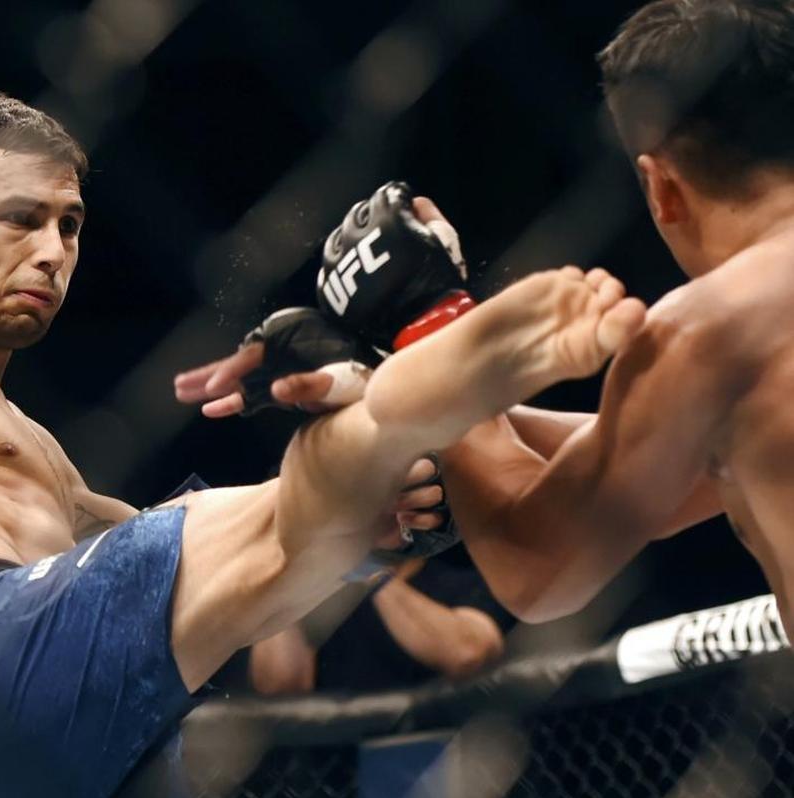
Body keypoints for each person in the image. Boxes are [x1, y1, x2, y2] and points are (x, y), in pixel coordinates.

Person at [0, 93, 644, 798]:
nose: (53, 252)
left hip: (23, 759)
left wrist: (367, 538)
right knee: (280, 510)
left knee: (267, 528)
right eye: (20, 219)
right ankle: (419, 352)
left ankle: (372, 418)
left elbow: (173, 557)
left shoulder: (35, 454)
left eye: (70, 225)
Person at [184, 0, 794, 637]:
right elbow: (641, 450)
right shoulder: (738, 364)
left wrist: (432, 327)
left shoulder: (710, 332)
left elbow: (540, 565)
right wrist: (400, 386)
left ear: (660, 185)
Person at [247, 556, 507, 694]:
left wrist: (373, 571)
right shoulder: (320, 599)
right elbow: (277, 685)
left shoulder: (460, 581)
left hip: (445, 766)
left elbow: (467, 653)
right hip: (341, 777)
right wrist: (289, 578)